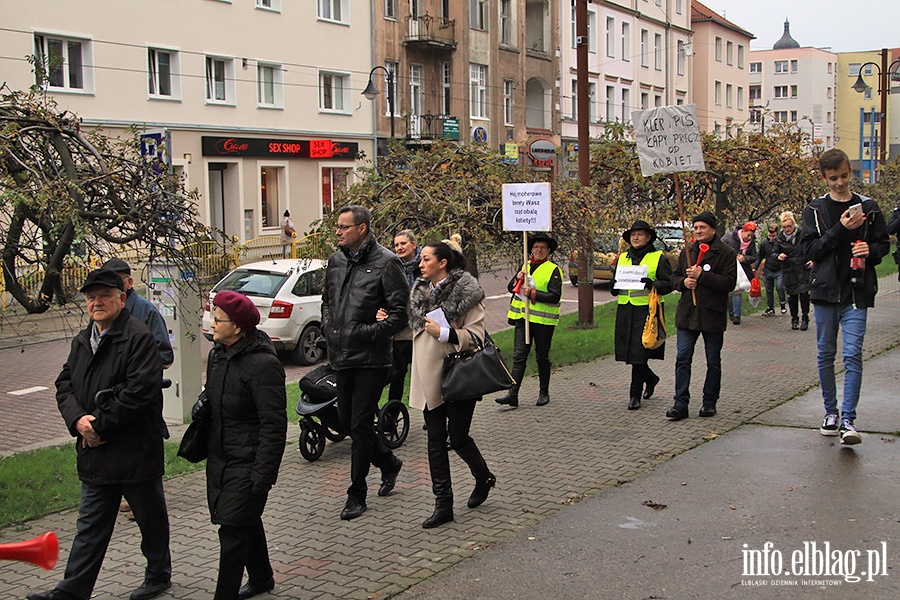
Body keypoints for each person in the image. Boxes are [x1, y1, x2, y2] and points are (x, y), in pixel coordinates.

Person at [29, 269, 171, 600]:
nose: (97, 303)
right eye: (91, 297)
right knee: (90, 528)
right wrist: (78, 420)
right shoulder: (83, 340)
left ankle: (158, 575)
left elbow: (139, 391)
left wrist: (98, 426)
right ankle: (70, 592)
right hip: (97, 454)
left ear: (122, 298)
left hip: (134, 452)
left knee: (151, 521)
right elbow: (64, 384)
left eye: (105, 296)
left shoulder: (138, 337)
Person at [321, 205, 409, 520]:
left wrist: (367, 331)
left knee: (359, 425)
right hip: (341, 355)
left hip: (372, 358)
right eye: (337, 227)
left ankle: (356, 495)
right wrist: (328, 327)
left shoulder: (387, 263)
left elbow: (401, 315)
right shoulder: (336, 261)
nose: (338, 232)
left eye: (344, 227)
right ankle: (388, 462)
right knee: (346, 421)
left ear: (362, 228)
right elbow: (327, 302)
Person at [799, 148, 889, 445]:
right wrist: (840, 229)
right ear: (824, 178)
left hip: (856, 291)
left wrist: (870, 251)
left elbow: (882, 245)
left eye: (844, 176)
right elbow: (810, 251)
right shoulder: (815, 210)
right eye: (833, 178)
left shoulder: (869, 207)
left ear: (851, 172)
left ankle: (849, 418)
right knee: (826, 353)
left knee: (853, 354)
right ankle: (830, 412)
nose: (840, 183)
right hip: (825, 292)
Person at [407, 236, 496, 528]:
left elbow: (478, 337)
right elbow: (413, 331)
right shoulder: (418, 292)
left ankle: (483, 477)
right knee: (434, 442)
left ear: (443, 263)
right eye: (420, 259)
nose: (420, 264)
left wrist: (445, 334)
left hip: (459, 376)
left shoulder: (467, 292)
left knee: (457, 438)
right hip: (428, 377)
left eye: (426, 259)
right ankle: (443, 503)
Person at [205, 291, 287, 600]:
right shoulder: (219, 355)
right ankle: (262, 578)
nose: (212, 323)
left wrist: (263, 474)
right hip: (221, 458)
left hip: (249, 461)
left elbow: (274, 424)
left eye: (218, 319)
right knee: (244, 520)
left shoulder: (264, 365)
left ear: (238, 327)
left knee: (232, 529)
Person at [667, 211, 737, 421]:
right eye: (695, 228)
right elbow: (675, 277)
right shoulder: (687, 251)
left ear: (713, 229)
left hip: (712, 314)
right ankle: (680, 403)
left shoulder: (726, 253)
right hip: (688, 314)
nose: (698, 231)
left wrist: (702, 276)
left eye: (702, 228)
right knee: (682, 359)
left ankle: (709, 401)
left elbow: (728, 283)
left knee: (713, 360)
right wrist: (683, 283)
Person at [610, 220, 674, 410]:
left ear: (648, 238)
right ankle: (651, 378)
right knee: (630, 353)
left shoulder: (658, 257)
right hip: (625, 310)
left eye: (640, 234)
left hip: (648, 311)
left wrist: (651, 284)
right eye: (633, 235)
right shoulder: (622, 258)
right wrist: (613, 287)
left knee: (639, 352)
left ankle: (634, 395)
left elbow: (669, 284)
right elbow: (615, 282)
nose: (636, 238)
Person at [494, 232, 563, 408]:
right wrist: (518, 278)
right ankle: (513, 394)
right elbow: (511, 288)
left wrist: (533, 294)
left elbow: (554, 296)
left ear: (548, 251)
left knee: (542, 356)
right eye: (535, 247)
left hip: (543, 322)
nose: (538, 250)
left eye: (542, 247)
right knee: (519, 356)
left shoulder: (553, 270)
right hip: (522, 319)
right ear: (531, 249)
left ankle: (543, 392)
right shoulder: (525, 266)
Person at [101, 258, 174, 368]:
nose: (111, 286)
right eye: (106, 282)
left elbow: (164, 356)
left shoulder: (146, 311)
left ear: (129, 282)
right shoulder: (100, 311)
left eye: (117, 280)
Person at [385, 230, 421, 404]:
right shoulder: (393, 266)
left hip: (422, 330)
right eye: (396, 245)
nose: (399, 248)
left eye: (403, 244)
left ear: (413, 244)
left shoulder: (425, 264)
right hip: (401, 331)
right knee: (397, 375)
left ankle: (431, 415)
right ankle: (392, 415)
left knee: (423, 375)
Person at [774, 211, 812, 331]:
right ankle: (794, 318)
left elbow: (810, 247)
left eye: (789, 226)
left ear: (794, 224)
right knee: (792, 296)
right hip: (789, 269)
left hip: (802, 267)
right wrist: (778, 255)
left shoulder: (802, 234)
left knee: (804, 294)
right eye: (784, 227)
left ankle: (805, 317)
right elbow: (773, 252)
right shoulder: (780, 238)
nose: (787, 229)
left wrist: (812, 260)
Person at [721, 221, 758, 325]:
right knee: (729, 290)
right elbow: (720, 249)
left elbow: (754, 256)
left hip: (742, 271)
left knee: (738, 290)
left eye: (751, 236)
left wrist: (744, 258)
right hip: (728, 268)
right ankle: (731, 313)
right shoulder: (729, 237)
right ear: (743, 231)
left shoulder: (752, 243)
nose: (749, 238)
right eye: (748, 235)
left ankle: (737, 315)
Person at [753, 223, 786, 316]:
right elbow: (760, 255)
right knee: (769, 289)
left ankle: (782, 303)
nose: (771, 238)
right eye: (770, 236)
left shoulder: (780, 242)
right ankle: (770, 307)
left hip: (779, 268)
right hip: (768, 268)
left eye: (773, 236)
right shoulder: (764, 243)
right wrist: (755, 267)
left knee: (779, 287)